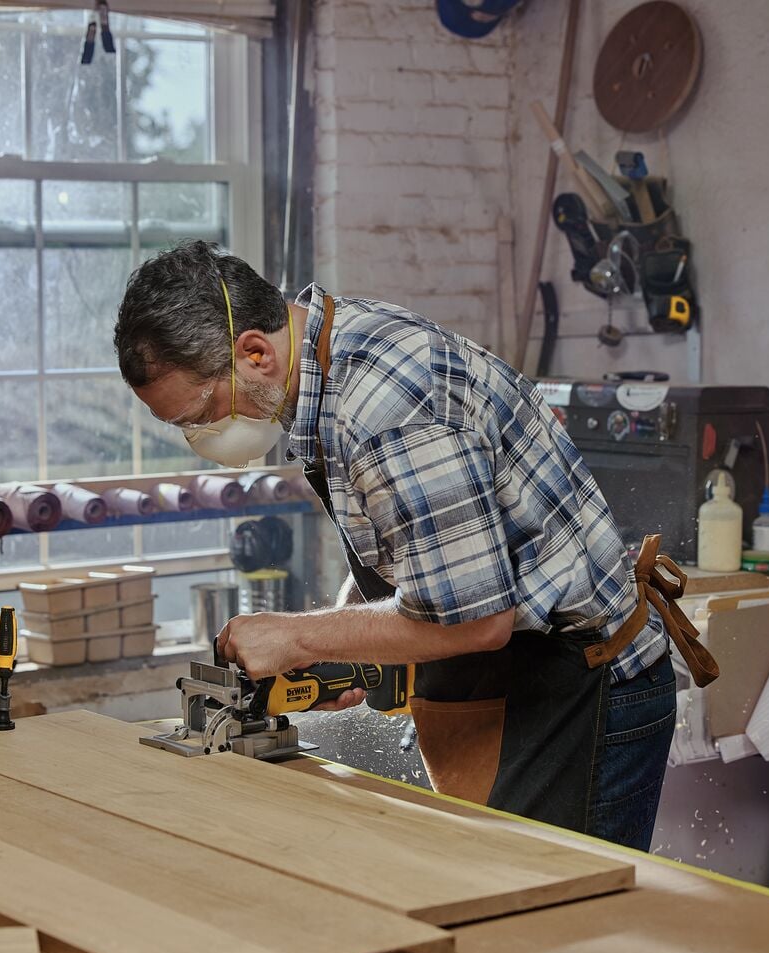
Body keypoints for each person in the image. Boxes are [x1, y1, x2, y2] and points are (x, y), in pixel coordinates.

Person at [113, 241, 675, 849]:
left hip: (581, 690)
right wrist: (345, 642)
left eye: (200, 413)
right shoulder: (325, 365)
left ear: (254, 353)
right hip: (518, 673)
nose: (201, 435)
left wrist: (297, 634)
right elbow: (421, 542)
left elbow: (479, 619)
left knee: (548, 923)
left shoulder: (384, 407)